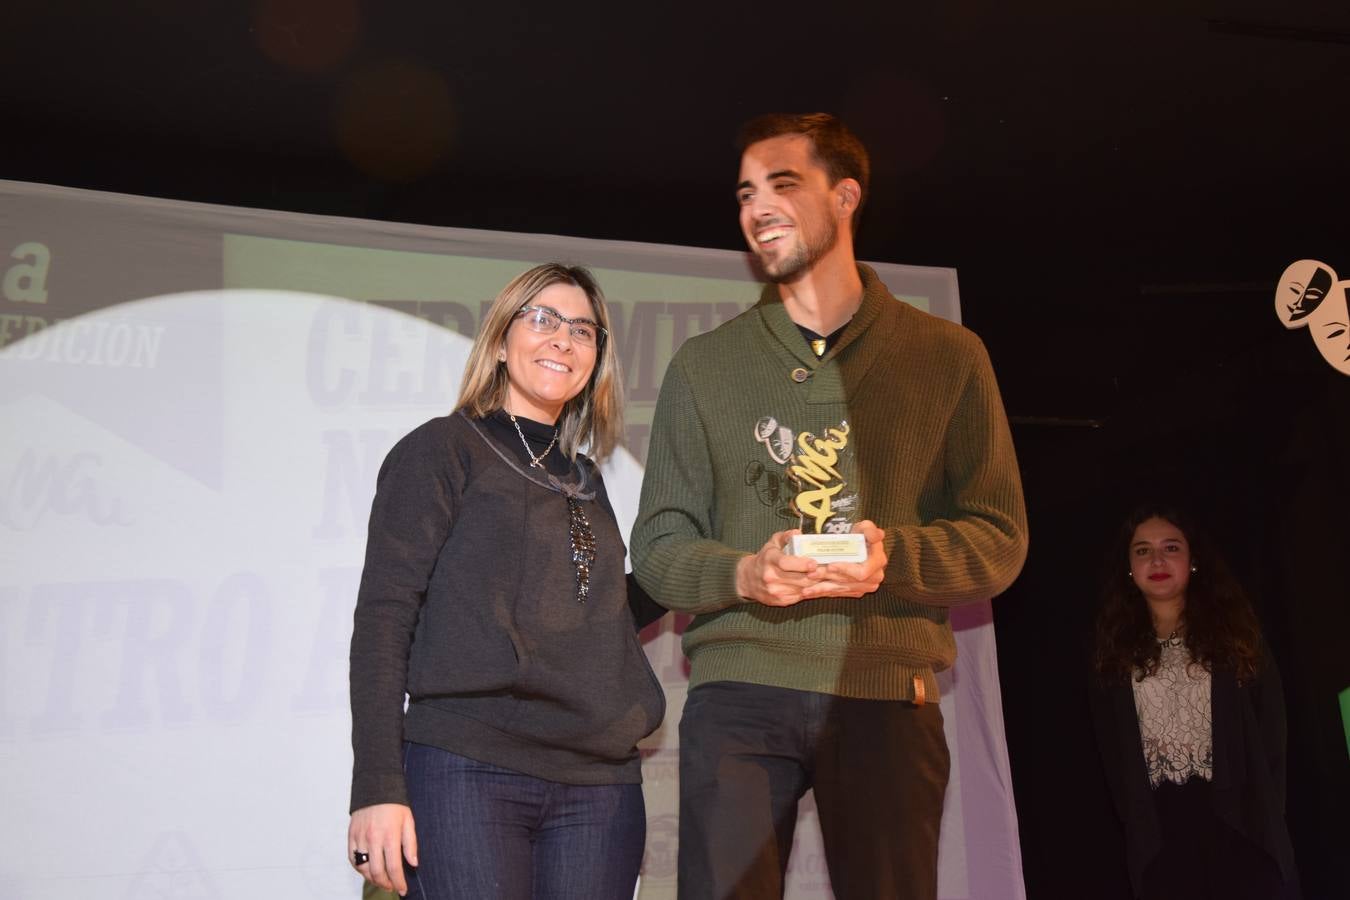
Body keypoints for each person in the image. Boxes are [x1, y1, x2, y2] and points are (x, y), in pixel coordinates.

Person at [630, 112, 1028, 900]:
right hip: (738, 694)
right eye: (745, 192)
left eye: (783, 183)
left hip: (887, 690)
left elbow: (999, 539)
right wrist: (746, 572)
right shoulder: (705, 365)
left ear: (846, 196)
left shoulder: (948, 356)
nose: (757, 207)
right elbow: (660, 545)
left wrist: (895, 558)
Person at [347, 263, 666, 899]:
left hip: (600, 783)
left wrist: (701, 567)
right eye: (542, 319)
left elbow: (594, 617)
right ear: (499, 339)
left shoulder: (585, 478)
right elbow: (385, 617)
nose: (562, 340)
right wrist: (378, 787)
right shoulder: (443, 449)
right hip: (467, 768)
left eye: (582, 329)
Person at [1089, 505, 1299, 900]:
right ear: (1128, 568)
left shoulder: (1236, 635)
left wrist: (1265, 816)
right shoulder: (1114, 653)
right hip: (1163, 834)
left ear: (1192, 559)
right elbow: (1114, 758)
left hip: (1241, 820)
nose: (1157, 560)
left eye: (1171, 547)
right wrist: (1141, 828)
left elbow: (1273, 729)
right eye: (1142, 550)